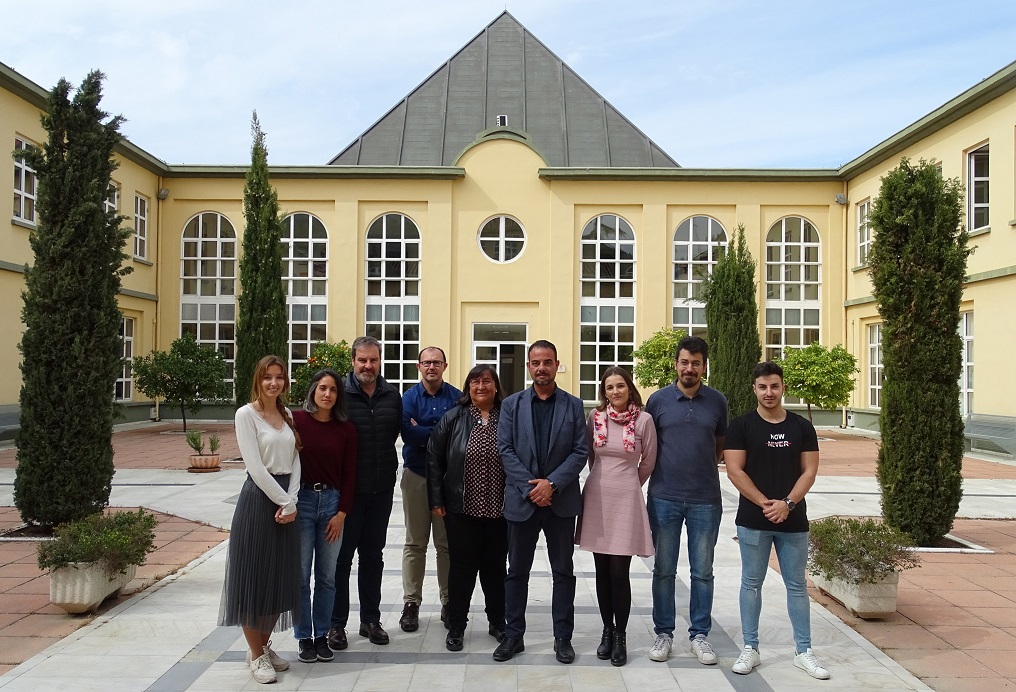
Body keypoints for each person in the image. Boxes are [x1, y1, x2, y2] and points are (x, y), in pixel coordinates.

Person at [724, 361, 829, 680]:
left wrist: (787, 503)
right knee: (751, 583)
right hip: (753, 519)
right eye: (762, 387)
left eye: (774, 386)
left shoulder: (801, 427)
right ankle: (750, 648)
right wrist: (764, 503)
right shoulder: (741, 426)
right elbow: (734, 470)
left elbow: (809, 471)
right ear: (754, 389)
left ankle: (804, 651)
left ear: (783, 387)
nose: (768, 392)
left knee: (796, 585)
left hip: (793, 520)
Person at [494, 339, 589, 664]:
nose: (542, 368)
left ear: (556, 364)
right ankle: (513, 636)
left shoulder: (574, 405)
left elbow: (580, 451)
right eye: (536, 362)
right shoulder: (512, 405)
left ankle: (563, 638)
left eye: (547, 362)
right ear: (528, 367)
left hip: (560, 503)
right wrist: (531, 487)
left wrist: (552, 485)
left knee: (562, 571)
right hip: (522, 502)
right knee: (516, 572)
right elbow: (505, 449)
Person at [644, 335, 727, 665]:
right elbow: (649, 446)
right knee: (663, 569)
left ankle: (700, 635)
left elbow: (719, 447)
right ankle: (664, 633)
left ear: (704, 366)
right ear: (675, 364)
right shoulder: (658, 401)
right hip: (664, 496)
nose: (689, 368)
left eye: (696, 362)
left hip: (705, 499)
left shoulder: (717, 402)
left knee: (702, 571)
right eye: (684, 362)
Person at [219, 355, 302, 685]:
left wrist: (292, 500)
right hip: (259, 500)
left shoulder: (287, 414)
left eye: (279, 377)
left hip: (286, 501)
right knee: (255, 578)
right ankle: (255, 655)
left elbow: (296, 459)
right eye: (268, 377)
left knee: (277, 578)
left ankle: (263, 646)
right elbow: (254, 467)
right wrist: (284, 501)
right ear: (258, 380)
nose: (274, 383)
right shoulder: (245, 415)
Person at [575, 366, 657, 667]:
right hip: (597, 495)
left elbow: (648, 461)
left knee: (619, 572)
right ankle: (606, 631)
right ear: (604, 392)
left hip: (626, 496)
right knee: (601, 570)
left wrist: (630, 484)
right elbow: (589, 455)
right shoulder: (595, 418)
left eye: (620, 386)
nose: (615, 392)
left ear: (629, 388)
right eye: (609, 388)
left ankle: (621, 635)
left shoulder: (644, 421)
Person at [427, 364, 508, 651]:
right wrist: (436, 499)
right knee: (462, 568)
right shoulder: (453, 418)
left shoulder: (507, 417)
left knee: (495, 567)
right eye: (475, 382)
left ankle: (498, 622)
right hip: (462, 508)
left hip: (500, 509)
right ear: (467, 387)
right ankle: (457, 626)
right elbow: (435, 458)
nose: (481, 386)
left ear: (496, 386)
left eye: (487, 381)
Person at [328, 336, 403, 649]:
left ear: (380, 360)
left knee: (373, 557)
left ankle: (370, 620)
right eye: (362, 360)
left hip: (381, 490)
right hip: (347, 495)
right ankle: (336, 625)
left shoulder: (392, 396)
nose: (368, 366)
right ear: (353, 361)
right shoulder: (339, 395)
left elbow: (397, 433)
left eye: (373, 360)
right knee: (342, 559)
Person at [292, 369, 358, 663]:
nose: (327, 394)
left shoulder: (346, 429)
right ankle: (304, 637)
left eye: (333, 389)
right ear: (313, 392)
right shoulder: (296, 422)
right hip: (303, 501)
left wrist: (342, 512)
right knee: (301, 576)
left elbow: (350, 474)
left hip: (332, 504)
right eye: (322, 388)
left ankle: (322, 635)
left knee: (328, 577)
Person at [398, 347, 461, 632]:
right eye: (426, 362)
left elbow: (458, 436)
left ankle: (449, 602)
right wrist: (440, 431)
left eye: (436, 362)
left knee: (446, 544)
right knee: (415, 542)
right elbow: (407, 433)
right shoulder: (408, 398)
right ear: (418, 366)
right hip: (417, 475)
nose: (431, 367)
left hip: (448, 479)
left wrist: (424, 430)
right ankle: (411, 603)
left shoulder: (458, 397)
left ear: (445, 366)